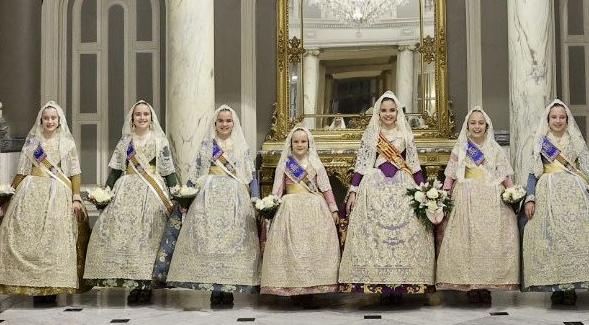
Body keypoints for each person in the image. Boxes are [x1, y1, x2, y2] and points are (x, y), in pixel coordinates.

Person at [521, 100, 589, 306]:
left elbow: (587, 167)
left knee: (576, 239)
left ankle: (573, 287)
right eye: (554, 117)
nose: (558, 121)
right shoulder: (541, 142)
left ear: (567, 120)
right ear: (548, 120)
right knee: (554, 241)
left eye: (562, 117)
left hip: (576, 191)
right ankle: (556, 288)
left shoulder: (575, 140)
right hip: (548, 192)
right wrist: (530, 197)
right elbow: (533, 173)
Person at [339, 91, 435, 298]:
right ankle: (378, 285)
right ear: (378, 113)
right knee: (376, 236)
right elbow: (362, 165)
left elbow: (415, 166)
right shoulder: (371, 134)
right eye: (384, 110)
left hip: (403, 185)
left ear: (398, 112)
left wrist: (425, 191)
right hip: (374, 186)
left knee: (404, 235)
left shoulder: (406, 134)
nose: (388, 114)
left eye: (392, 110)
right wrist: (354, 190)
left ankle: (401, 286)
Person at [0, 102, 85, 299]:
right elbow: (22, 171)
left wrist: (76, 197)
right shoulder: (32, 143)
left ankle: (52, 287)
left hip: (58, 193)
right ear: (41, 120)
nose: (50, 121)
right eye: (46, 118)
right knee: (26, 236)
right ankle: (31, 285)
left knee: (53, 239)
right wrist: (8, 195)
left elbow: (75, 173)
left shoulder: (66, 143)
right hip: (30, 191)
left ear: (59, 121)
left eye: (53, 118)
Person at [84, 100, 179, 304]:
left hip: (152, 193)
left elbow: (169, 171)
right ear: (132, 118)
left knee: (148, 240)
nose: (142, 117)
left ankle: (146, 284)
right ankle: (132, 282)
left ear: (151, 118)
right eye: (138, 114)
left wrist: (177, 194)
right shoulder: (125, 142)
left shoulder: (159, 141)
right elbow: (116, 170)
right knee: (127, 240)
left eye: (146, 114)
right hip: (125, 191)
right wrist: (105, 191)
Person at [167, 105, 262, 307]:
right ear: (215, 123)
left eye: (228, 121)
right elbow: (195, 173)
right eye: (221, 121)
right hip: (208, 196)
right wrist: (186, 195)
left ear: (233, 123)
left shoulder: (241, 146)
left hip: (235, 198)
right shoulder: (206, 146)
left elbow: (251, 175)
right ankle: (214, 289)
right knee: (210, 242)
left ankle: (228, 288)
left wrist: (255, 197)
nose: (224, 124)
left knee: (231, 243)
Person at [436, 107, 520, 303]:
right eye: (473, 123)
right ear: (467, 126)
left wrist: (513, 192)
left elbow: (505, 175)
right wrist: (445, 196)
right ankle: (471, 286)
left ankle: (485, 285)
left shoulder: (495, 148)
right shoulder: (461, 148)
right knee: (468, 242)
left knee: (490, 242)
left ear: (487, 126)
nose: (477, 126)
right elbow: (449, 175)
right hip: (466, 196)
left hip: (492, 196)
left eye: (480, 123)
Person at [261, 124, 342, 300]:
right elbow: (277, 190)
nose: (300, 145)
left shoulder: (315, 164)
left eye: (303, 141)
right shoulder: (284, 164)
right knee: (292, 248)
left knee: (313, 247)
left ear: (308, 144)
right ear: (291, 144)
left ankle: (312, 288)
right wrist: (270, 207)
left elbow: (325, 188)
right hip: (290, 208)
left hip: (314, 207)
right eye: (296, 141)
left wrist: (333, 208)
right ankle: (293, 286)